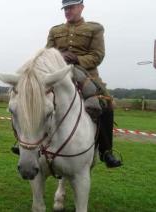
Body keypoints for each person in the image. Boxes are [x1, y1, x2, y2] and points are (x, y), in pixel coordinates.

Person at [45, 0, 121, 168]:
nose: (67, 11)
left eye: (71, 7)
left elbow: (98, 55)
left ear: (81, 7)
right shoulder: (55, 30)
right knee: (37, 96)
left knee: (106, 103)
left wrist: (78, 59)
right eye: (65, 8)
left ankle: (106, 151)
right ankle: (27, 144)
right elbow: (47, 53)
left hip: (86, 74)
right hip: (59, 73)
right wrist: (59, 56)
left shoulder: (95, 28)